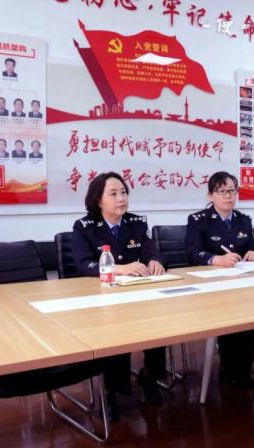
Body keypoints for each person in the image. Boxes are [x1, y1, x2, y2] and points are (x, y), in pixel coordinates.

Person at [71, 172, 168, 407]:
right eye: (113, 194)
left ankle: (150, 376)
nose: (121, 198)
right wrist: (120, 268)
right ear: (98, 200)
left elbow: (150, 252)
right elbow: (83, 264)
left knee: (159, 326)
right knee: (115, 332)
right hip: (102, 297)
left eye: (123, 192)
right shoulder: (84, 226)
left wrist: (155, 261)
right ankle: (112, 392)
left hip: (137, 294)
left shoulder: (137, 223)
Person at [185, 171, 254, 389]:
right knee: (231, 320)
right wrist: (216, 259)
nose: (228, 196)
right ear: (211, 195)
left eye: (231, 190)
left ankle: (244, 365)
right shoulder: (198, 220)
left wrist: (253, 253)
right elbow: (192, 253)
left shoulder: (243, 220)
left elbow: (250, 247)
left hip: (242, 282)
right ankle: (229, 369)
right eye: (221, 191)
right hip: (212, 286)